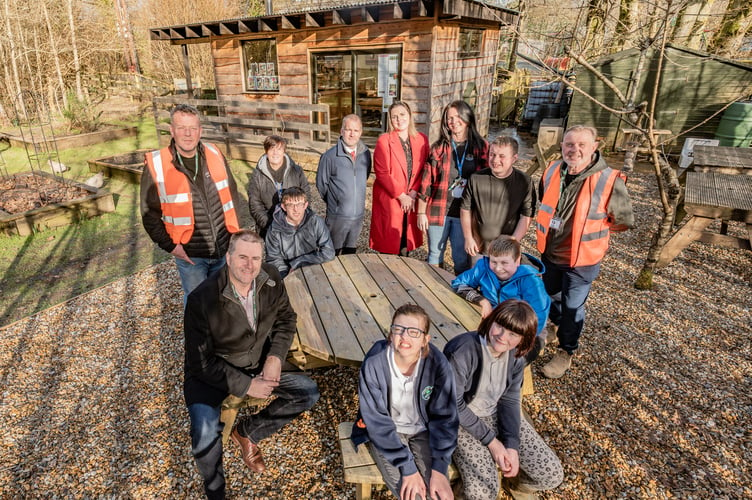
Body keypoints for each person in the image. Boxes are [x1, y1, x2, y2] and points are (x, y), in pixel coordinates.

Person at [183, 229, 320, 499]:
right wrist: (248, 385)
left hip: (257, 361)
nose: (249, 265)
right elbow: (200, 363)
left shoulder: (270, 278)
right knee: (205, 435)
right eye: (243, 257)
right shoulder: (202, 300)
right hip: (213, 375)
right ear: (229, 258)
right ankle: (214, 488)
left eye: (255, 258)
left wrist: (275, 357)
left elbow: (286, 319)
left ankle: (247, 431)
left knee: (308, 392)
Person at [536, 125, 634, 379]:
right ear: (562, 146)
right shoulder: (553, 169)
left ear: (594, 148)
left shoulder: (609, 178)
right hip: (551, 252)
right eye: (569, 144)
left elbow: (622, 220)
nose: (574, 150)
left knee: (573, 307)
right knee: (551, 295)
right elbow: (543, 199)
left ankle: (567, 350)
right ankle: (554, 327)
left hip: (583, 259)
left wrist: (590, 233)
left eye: (581, 145)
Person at [443, 299, 563, 500]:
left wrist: (511, 445)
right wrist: (492, 442)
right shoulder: (462, 350)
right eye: (499, 326)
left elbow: (509, 399)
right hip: (462, 422)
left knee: (551, 475)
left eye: (513, 334)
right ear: (491, 320)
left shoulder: (516, 355)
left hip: (495, 414)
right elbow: (453, 404)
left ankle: (514, 483)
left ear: (523, 339)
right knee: (484, 494)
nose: (502, 337)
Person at [351, 304, 458, 500]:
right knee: (414, 496)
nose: (404, 337)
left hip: (422, 430)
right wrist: (407, 468)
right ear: (391, 334)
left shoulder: (438, 364)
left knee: (438, 494)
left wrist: (440, 468)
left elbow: (446, 416)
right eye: (398, 329)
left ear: (426, 340)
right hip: (388, 432)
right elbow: (376, 420)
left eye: (414, 332)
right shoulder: (375, 362)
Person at [141, 104, 241, 304]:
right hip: (190, 254)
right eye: (181, 127)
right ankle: (197, 337)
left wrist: (234, 236)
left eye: (193, 128)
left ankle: (220, 335)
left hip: (222, 246)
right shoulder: (157, 164)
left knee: (223, 299)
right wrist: (171, 246)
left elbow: (232, 194)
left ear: (200, 131)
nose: (188, 134)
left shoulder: (214, 153)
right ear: (172, 130)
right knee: (197, 303)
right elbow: (148, 214)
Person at [417, 100, 488, 275]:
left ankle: (460, 291)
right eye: (449, 118)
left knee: (461, 258)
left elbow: (488, 183)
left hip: (464, 214)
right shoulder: (439, 148)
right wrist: (420, 213)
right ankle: (435, 288)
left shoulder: (481, 147)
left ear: (468, 118)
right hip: (438, 211)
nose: (453, 121)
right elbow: (426, 182)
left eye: (458, 116)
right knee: (434, 255)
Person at [452, 235, 550, 342]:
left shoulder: (531, 280)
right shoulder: (483, 266)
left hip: (522, 329)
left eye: (504, 263)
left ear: (517, 260)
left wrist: (518, 341)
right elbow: (458, 283)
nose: (498, 268)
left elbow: (539, 317)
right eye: (493, 262)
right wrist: (482, 301)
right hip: (494, 322)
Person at [461, 135, 535, 267]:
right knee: (477, 282)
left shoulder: (525, 182)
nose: (495, 160)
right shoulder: (476, 178)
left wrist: (513, 242)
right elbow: (465, 209)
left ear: (514, 158)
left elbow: (526, 216)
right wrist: (468, 238)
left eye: (502, 156)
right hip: (478, 247)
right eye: (492, 154)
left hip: (505, 251)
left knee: (504, 284)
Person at [369, 101, 429, 256]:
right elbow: (382, 173)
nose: (399, 119)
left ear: (409, 116)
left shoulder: (421, 139)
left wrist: (414, 192)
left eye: (402, 114)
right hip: (392, 199)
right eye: (394, 116)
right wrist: (402, 196)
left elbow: (424, 168)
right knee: (389, 244)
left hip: (412, 197)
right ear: (390, 120)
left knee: (405, 240)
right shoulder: (384, 140)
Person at [316, 114, 372, 255]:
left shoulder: (365, 154)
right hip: (337, 217)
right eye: (348, 130)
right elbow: (322, 184)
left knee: (350, 254)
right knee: (333, 254)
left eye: (356, 130)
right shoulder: (330, 157)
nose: (352, 134)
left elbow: (363, 176)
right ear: (341, 131)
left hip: (357, 216)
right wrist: (336, 202)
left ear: (361, 132)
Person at [247, 135, 310, 237]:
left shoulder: (296, 171)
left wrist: (298, 219)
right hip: (269, 228)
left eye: (279, 149)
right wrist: (271, 225)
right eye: (272, 149)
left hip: (295, 226)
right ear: (266, 151)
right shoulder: (257, 176)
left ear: (284, 151)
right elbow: (255, 205)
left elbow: (306, 195)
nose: (275, 153)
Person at [264, 186, 335, 278]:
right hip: (288, 272)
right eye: (290, 205)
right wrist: (286, 277)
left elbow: (329, 252)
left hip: (313, 266)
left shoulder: (315, 222)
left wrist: (299, 262)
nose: (296, 209)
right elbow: (274, 259)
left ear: (305, 205)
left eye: (299, 204)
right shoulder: (274, 230)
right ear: (284, 207)